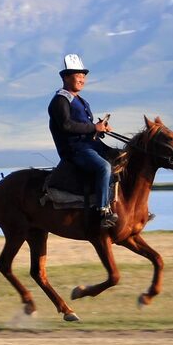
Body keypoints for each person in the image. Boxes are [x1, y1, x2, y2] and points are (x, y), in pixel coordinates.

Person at [47, 53, 117, 231]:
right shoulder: (60, 100)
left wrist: (101, 129)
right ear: (65, 77)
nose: (82, 80)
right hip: (75, 150)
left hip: (90, 145)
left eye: (83, 76)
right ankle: (103, 211)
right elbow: (66, 125)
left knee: (123, 158)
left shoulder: (81, 101)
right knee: (104, 167)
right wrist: (94, 128)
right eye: (78, 76)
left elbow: (86, 127)